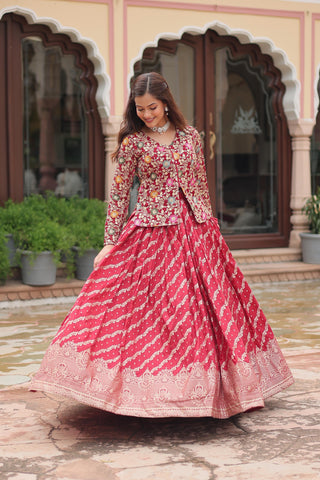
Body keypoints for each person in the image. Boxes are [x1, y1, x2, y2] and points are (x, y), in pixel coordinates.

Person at [30, 72, 294, 419]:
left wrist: (210, 225)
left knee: (206, 309)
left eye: (151, 107)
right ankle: (147, 390)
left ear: (166, 103)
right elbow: (119, 195)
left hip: (197, 231)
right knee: (151, 311)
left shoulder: (190, 137)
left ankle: (212, 389)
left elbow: (200, 183)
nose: (146, 114)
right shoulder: (134, 144)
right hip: (151, 232)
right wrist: (110, 243)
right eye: (139, 109)